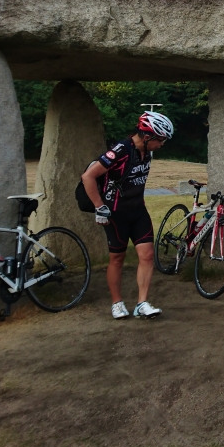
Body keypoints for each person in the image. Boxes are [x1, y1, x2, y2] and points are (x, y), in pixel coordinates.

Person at [81, 111, 174, 319]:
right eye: (160, 140)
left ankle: (142, 303)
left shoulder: (146, 151)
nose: (162, 145)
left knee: (147, 255)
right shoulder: (121, 150)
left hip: (138, 210)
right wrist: (99, 206)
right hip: (115, 212)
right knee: (117, 258)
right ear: (148, 136)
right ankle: (117, 303)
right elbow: (88, 176)